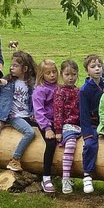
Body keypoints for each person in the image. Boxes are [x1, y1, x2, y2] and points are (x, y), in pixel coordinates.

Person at [0, 51, 37, 173]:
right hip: (14, 116)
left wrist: (34, 114)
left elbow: (34, 101)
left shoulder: (32, 83)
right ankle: (14, 159)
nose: (11, 68)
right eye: (11, 65)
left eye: (15, 65)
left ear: (25, 68)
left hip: (27, 116)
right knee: (30, 133)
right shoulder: (9, 81)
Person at [79, 54, 104, 193]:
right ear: (87, 70)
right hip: (91, 124)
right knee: (90, 145)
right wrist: (87, 133)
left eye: (99, 66)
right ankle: (87, 175)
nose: (97, 69)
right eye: (93, 66)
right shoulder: (84, 90)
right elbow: (83, 114)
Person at [54, 60, 81, 194]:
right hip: (66, 126)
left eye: (73, 74)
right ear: (62, 75)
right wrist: (58, 130)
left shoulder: (78, 91)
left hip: (79, 126)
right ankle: (65, 178)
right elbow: (58, 112)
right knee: (70, 146)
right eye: (67, 74)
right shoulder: (60, 92)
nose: (70, 78)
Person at [32, 59, 59, 193]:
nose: (52, 75)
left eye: (54, 72)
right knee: (51, 143)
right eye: (48, 73)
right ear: (42, 75)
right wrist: (47, 128)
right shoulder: (40, 90)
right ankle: (46, 176)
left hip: (58, 122)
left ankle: (64, 175)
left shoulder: (58, 87)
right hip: (45, 122)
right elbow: (38, 111)